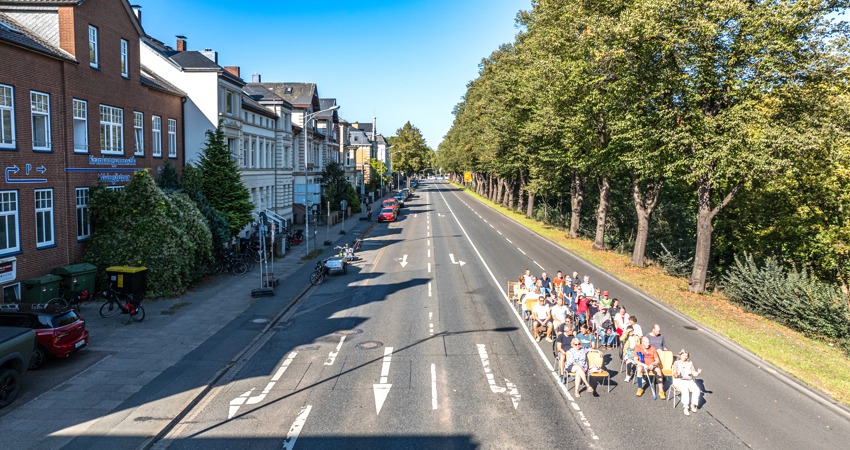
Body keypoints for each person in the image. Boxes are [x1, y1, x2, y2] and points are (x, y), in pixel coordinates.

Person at [672, 349, 703, 415]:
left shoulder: (690, 363)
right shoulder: (676, 363)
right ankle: (686, 407)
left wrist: (698, 372)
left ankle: (693, 404)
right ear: (680, 356)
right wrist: (676, 374)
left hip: (689, 380)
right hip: (680, 380)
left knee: (697, 390)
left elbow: (694, 373)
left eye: (686, 356)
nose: (684, 357)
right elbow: (674, 374)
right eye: (683, 355)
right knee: (685, 390)